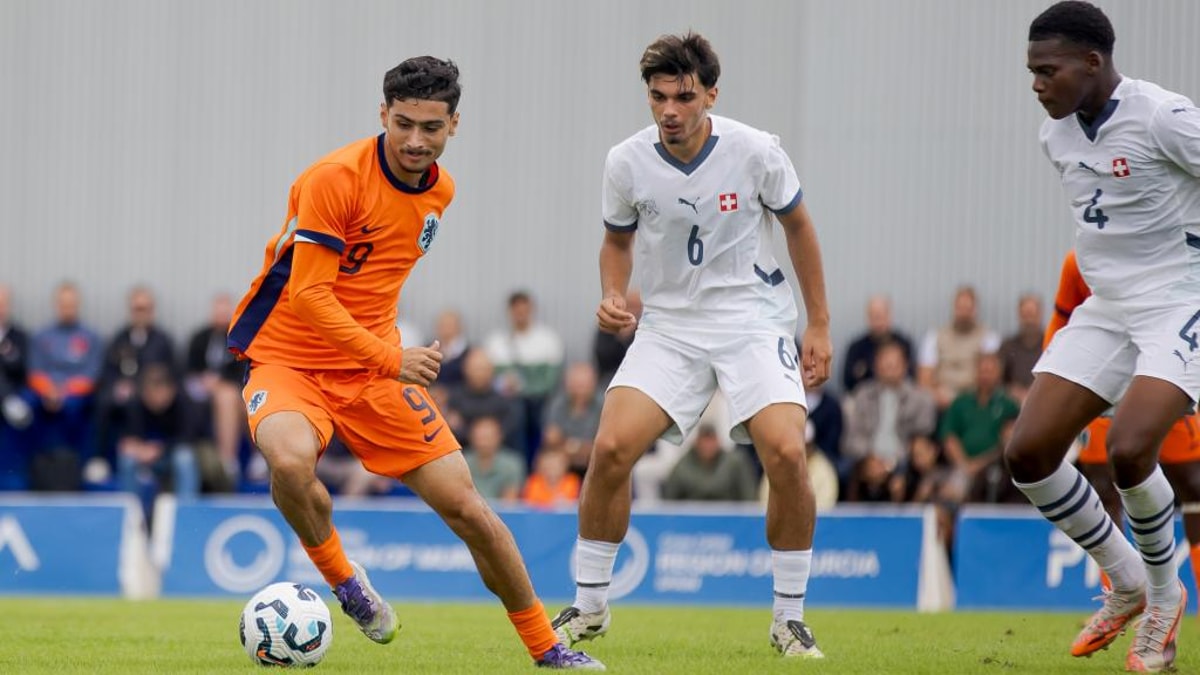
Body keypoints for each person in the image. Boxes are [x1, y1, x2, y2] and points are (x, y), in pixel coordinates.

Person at [225, 57, 600, 670]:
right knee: (291, 462)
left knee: (469, 510)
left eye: (431, 127)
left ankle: (549, 650)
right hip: (290, 357)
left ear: (455, 124)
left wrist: (382, 355)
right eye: (402, 124)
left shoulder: (441, 193)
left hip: (373, 373)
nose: (415, 141)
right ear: (383, 115)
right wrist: (390, 355)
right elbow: (309, 295)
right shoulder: (334, 180)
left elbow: (376, 278)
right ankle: (346, 582)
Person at [551, 32, 831, 659]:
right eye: (657, 97)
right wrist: (612, 292)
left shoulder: (757, 151)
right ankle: (591, 607)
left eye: (683, 97)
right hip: (671, 326)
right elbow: (616, 240)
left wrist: (817, 324)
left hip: (752, 318)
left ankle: (789, 619)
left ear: (710, 94)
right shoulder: (625, 161)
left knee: (787, 453)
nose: (669, 110)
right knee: (611, 446)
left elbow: (800, 229)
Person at [1005, 3, 1200, 670]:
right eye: (1031, 72)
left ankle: (1166, 601)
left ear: (1093, 62)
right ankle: (1126, 582)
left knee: (1130, 446)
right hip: (1108, 309)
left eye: (1046, 71)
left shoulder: (1162, 117)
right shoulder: (1054, 134)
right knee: (1028, 452)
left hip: (1181, 301)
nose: (1036, 84)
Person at [1048, 249, 1200, 613]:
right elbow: (1061, 322)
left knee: (1195, 485)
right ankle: (1123, 598)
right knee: (1104, 490)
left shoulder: (1179, 251)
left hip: (1165, 381)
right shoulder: (1079, 260)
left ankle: (1168, 600)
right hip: (1104, 389)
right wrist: (1053, 383)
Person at [841, 295, 915, 394]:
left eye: (881, 316)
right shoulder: (856, 347)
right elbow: (847, 381)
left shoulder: (903, 343)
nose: (878, 322)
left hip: (900, 395)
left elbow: (911, 376)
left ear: (889, 315)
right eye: (874, 317)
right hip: (866, 397)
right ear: (868, 317)